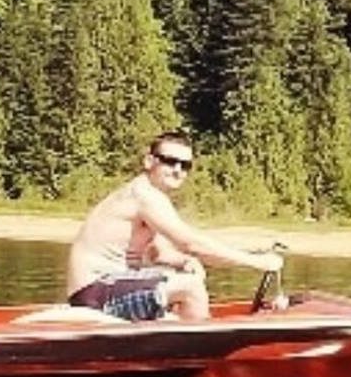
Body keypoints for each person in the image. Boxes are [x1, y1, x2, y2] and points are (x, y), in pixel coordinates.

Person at [66, 131, 283, 321]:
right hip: (95, 291)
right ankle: (201, 353)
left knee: (181, 278)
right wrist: (257, 262)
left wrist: (185, 261)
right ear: (149, 161)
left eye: (185, 165)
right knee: (190, 287)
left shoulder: (147, 195)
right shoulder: (145, 196)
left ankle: (183, 331)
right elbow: (190, 243)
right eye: (169, 161)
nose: (178, 170)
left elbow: (157, 252)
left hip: (102, 288)